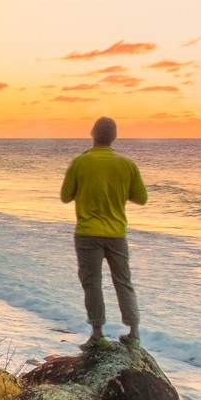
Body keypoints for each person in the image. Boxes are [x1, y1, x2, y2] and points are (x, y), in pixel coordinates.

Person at [59, 116, 147, 347]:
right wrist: (116, 191)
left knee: (92, 282)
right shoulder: (127, 164)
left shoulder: (80, 162)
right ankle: (134, 332)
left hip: (88, 232)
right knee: (123, 281)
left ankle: (97, 333)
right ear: (114, 137)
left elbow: (65, 196)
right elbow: (141, 198)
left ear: (92, 133)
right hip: (117, 232)